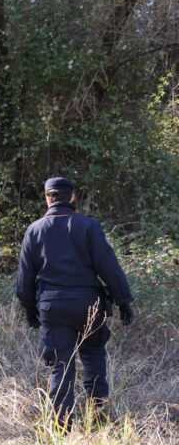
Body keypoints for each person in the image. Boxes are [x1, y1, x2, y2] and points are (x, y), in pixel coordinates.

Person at [16, 176, 134, 431]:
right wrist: (124, 301)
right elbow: (109, 267)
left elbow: (25, 277)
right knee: (93, 357)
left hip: (53, 306)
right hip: (90, 305)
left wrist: (29, 309)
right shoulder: (89, 226)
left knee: (62, 366)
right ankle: (99, 423)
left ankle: (60, 430)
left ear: (48, 198)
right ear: (72, 197)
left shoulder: (34, 230)